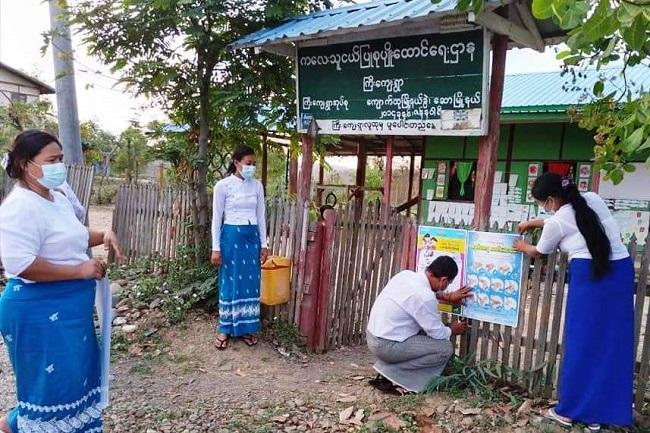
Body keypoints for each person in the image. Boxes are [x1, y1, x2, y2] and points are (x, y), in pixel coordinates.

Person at [0, 129, 123, 433]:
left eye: (61, 159)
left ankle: (10, 426)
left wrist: (102, 235)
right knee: (51, 390)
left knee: (74, 382)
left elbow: (75, 235)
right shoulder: (19, 207)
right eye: (52, 160)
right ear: (26, 164)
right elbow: (21, 263)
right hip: (39, 312)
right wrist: (79, 271)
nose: (59, 167)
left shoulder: (57, 197)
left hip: (69, 311)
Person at [515, 172, 633, 431]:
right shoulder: (591, 198)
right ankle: (597, 416)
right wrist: (537, 221)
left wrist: (522, 247)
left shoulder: (557, 222)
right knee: (611, 344)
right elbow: (571, 218)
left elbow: (539, 251)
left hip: (590, 277)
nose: (543, 209)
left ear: (549, 200)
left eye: (542, 204)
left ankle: (568, 411)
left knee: (582, 343)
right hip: (620, 273)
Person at [366, 256, 472, 393]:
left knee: (425, 335)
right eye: (448, 284)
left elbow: (419, 294)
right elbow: (438, 334)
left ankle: (390, 372)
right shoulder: (425, 296)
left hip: (373, 337)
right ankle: (392, 374)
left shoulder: (405, 275)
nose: (446, 287)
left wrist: (447, 297)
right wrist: (452, 329)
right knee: (444, 348)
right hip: (387, 346)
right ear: (443, 280)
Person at [210, 145, 268, 350]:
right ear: (236, 163)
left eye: (254, 164)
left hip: (252, 239)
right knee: (230, 282)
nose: (251, 167)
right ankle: (225, 328)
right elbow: (216, 219)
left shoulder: (257, 186)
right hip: (231, 239)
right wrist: (215, 248)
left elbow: (261, 216)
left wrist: (264, 244)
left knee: (250, 284)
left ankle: (246, 328)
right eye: (248, 163)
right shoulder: (223, 186)